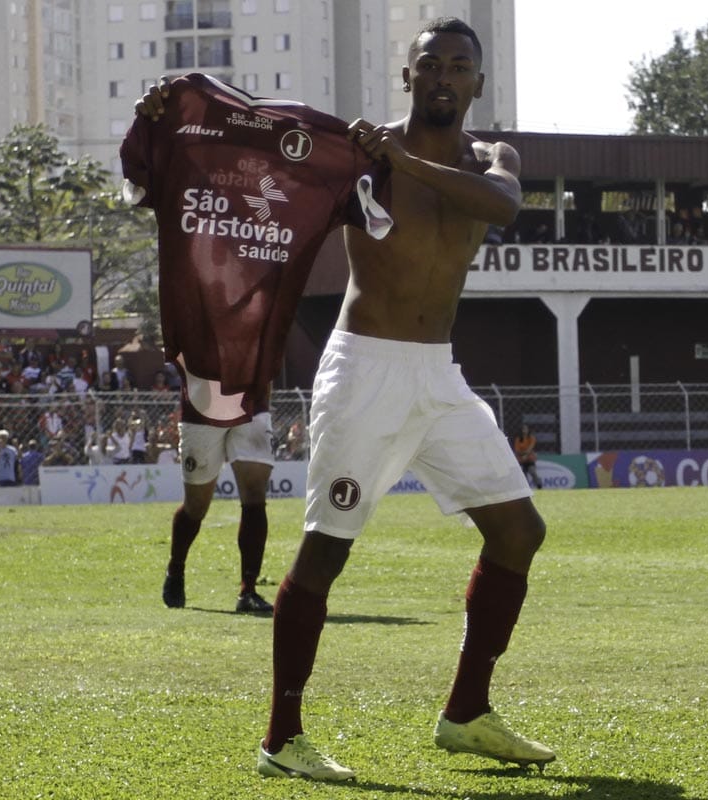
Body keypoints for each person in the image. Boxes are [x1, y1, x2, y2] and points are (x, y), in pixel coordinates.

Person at [139, 16, 552, 783]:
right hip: (364, 371)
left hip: (439, 374)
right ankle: (281, 738)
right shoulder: (360, 157)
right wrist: (185, 109)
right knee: (326, 551)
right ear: (408, 76)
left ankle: (465, 713)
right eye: (430, 64)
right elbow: (260, 143)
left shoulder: (492, 158)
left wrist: (402, 159)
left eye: (459, 67)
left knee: (520, 532)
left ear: (478, 84)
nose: (443, 77)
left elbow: (500, 205)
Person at [126, 60, 400, 617]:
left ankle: (248, 589)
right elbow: (140, 172)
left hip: (254, 388)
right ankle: (176, 570)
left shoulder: (293, 175)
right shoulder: (196, 169)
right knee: (196, 505)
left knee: (256, 492)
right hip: (202, 392)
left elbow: (375, 209)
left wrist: (364, 153)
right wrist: (155, 117)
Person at [512, 424, 543, 489]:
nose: (524, 431)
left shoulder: (531, 438)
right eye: (523, 429)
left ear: (528, 430)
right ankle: (525, 488)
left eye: (525, 429)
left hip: (529, 459)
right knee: (523, 475)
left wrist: (526, 454)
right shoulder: (518, 439)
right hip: (521, 459)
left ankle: (539, 485)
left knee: (532, 471)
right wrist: (523, 454)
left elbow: (530, 447)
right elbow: (517, 450)